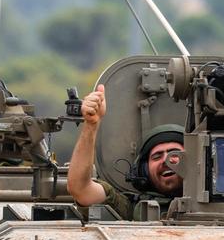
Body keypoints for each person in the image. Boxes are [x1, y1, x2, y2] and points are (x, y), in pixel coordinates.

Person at [66, 84, 184, 219]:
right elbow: (80, 189)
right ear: (144, 170)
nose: (165, 160)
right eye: (156, 156)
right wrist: (91, 124)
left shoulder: (212, 202)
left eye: (174, 153)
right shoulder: (130, 208)